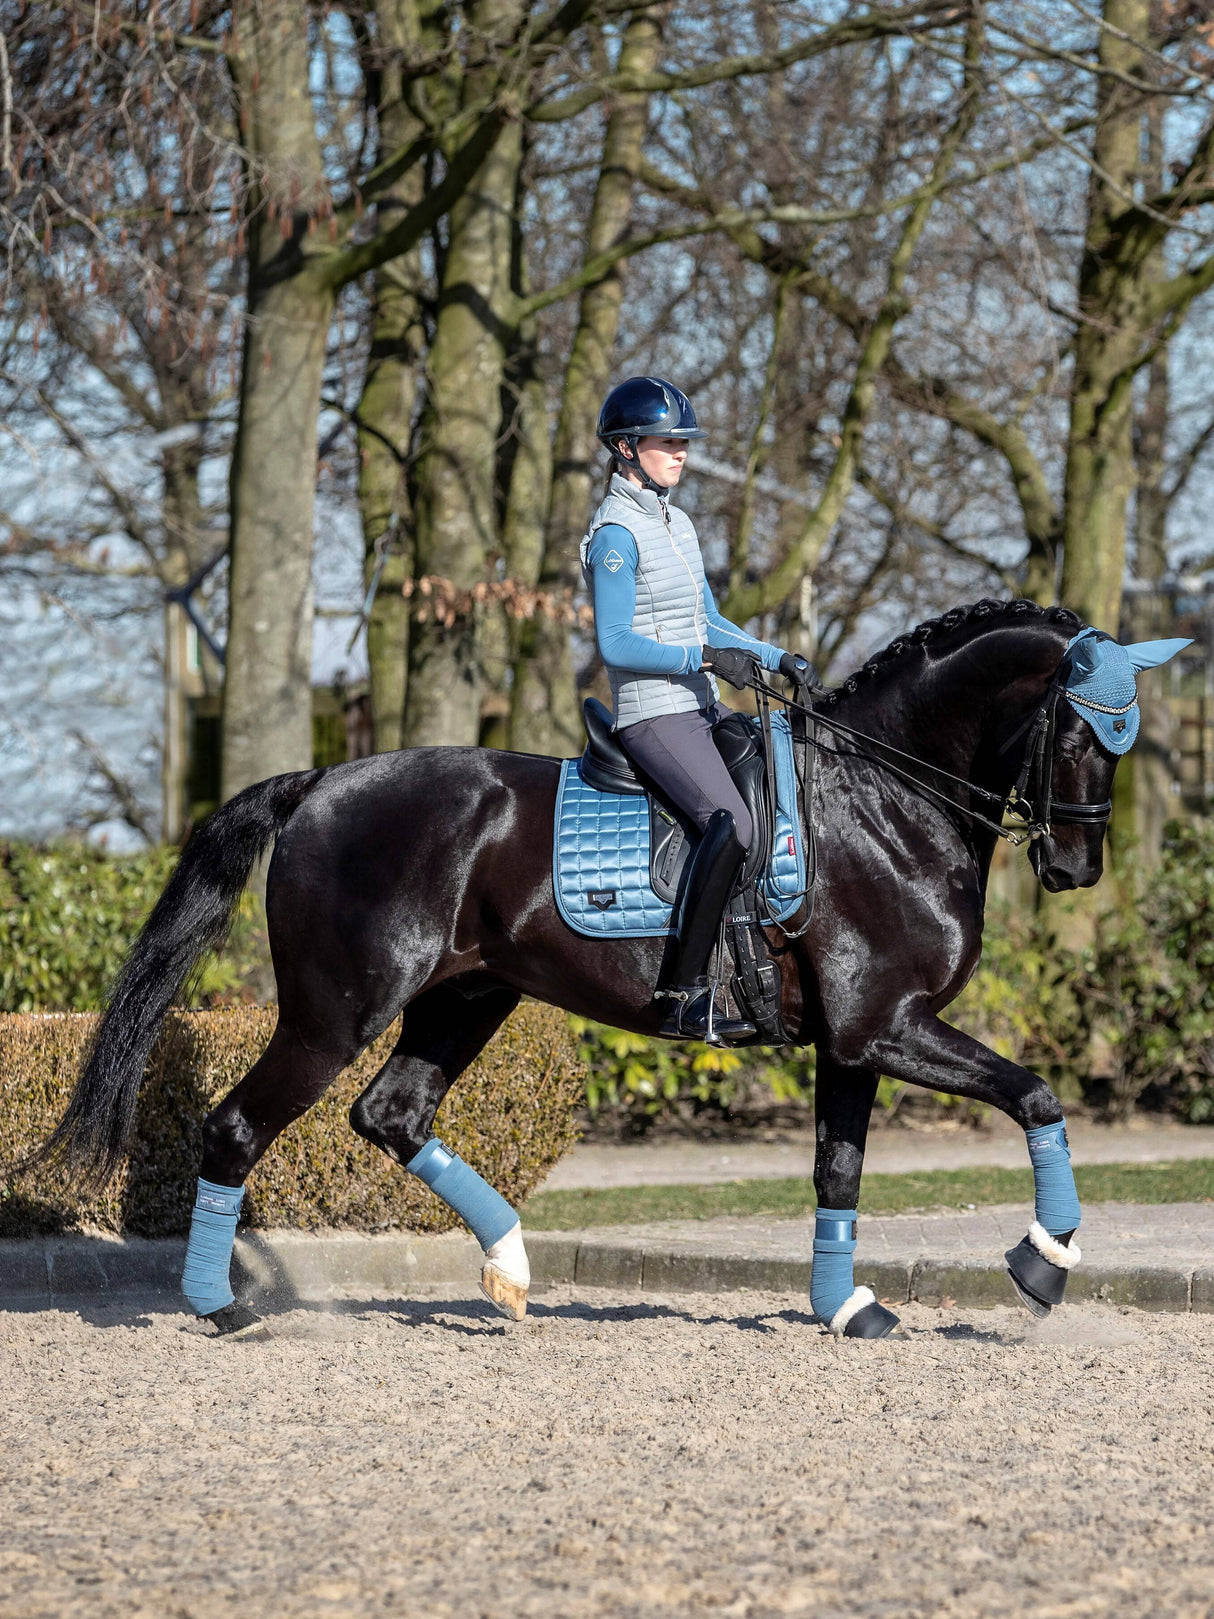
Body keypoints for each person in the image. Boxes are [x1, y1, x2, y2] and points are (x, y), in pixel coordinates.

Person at [581, 375, 810, 1043]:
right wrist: (705, 661)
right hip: (653, 714)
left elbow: (708, 618)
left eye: (684, 441)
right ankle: (681, 993)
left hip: (702, 708)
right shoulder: (617, 532)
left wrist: (774, 657)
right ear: (626, 447)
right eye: (667, 441)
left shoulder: (676, 522)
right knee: (730, 821)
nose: (681, 452)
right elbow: (616, 642)